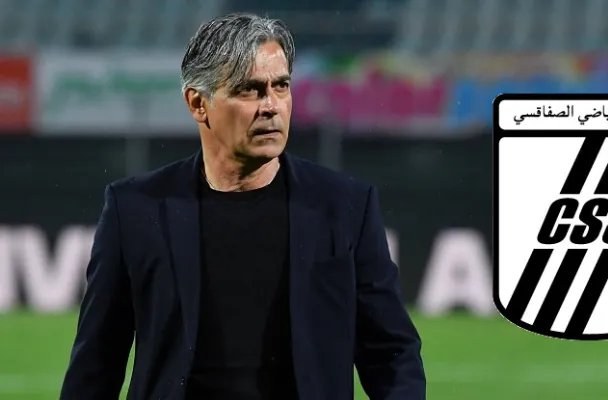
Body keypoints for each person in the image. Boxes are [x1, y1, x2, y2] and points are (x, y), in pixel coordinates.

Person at [60, 13, 426, 400]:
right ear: (198, 103)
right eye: (249, 90)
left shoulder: (345, 206)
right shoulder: (135, 210)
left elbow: (392, 356)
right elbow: (96, 364)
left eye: (281, 86)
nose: (271, 105)